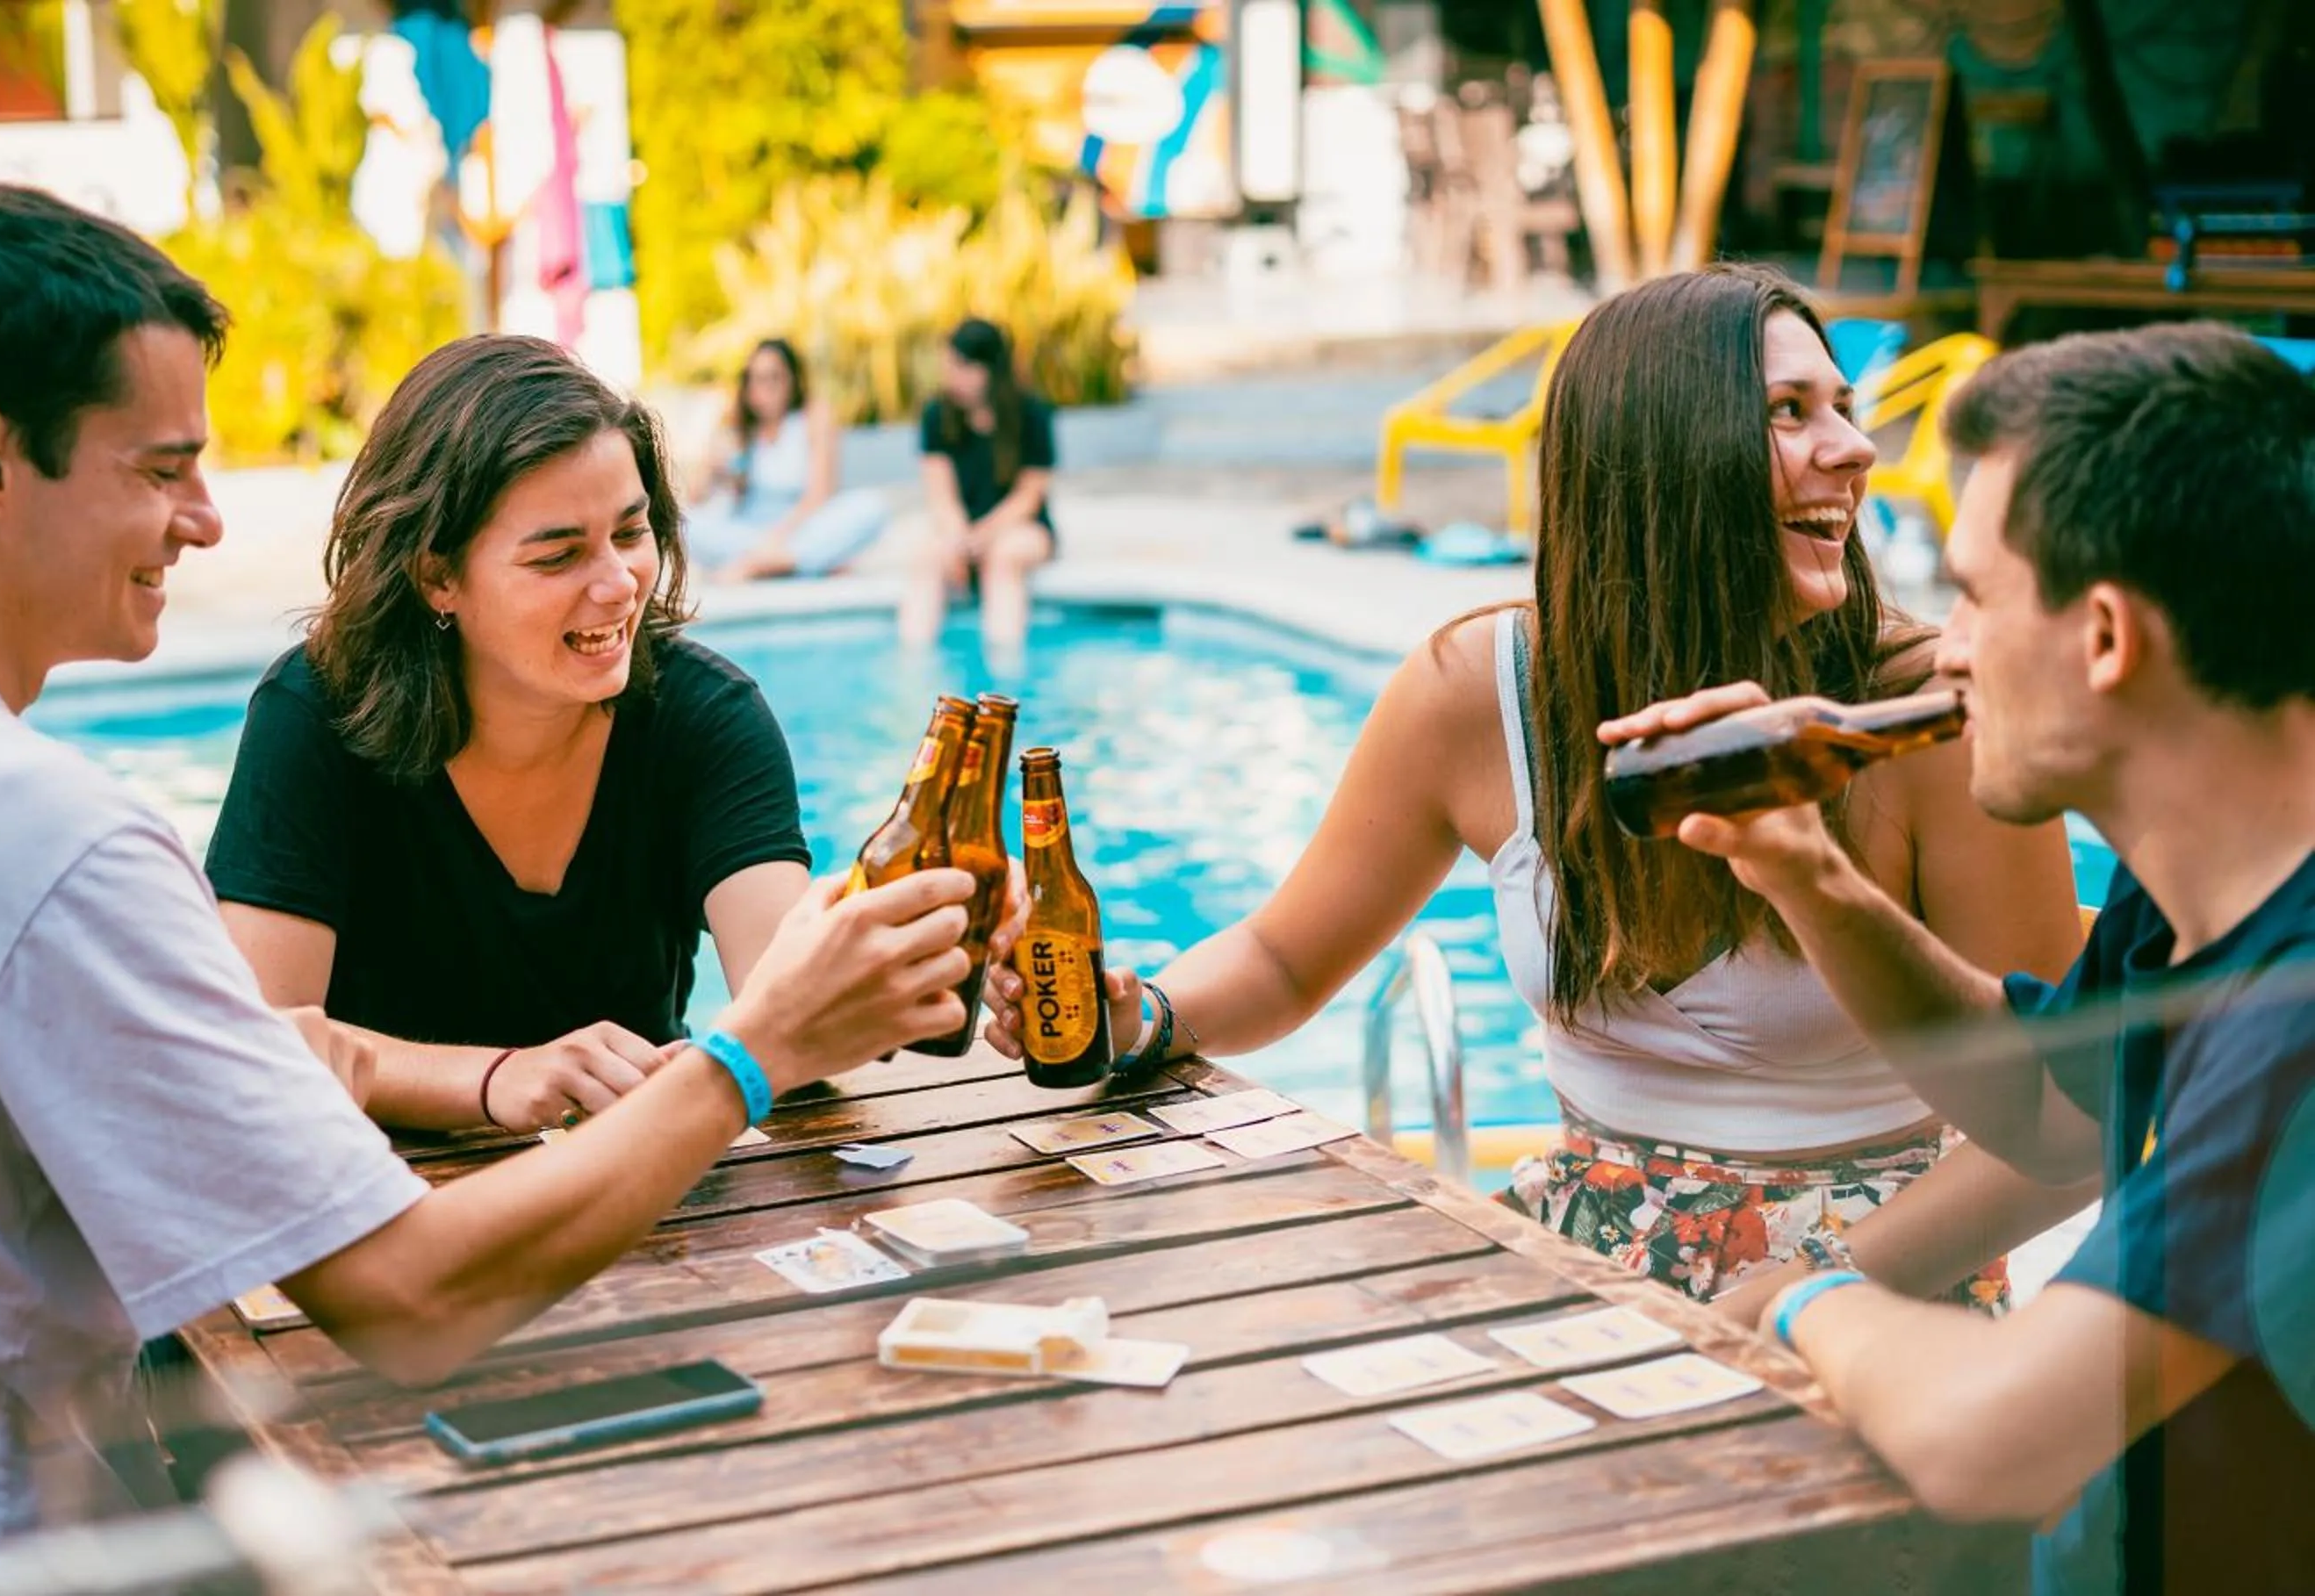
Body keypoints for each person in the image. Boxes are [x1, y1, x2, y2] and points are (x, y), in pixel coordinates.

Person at [0, 183, 974, 1573]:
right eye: (161, 467)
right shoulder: (44, 837)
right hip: (10, 1553)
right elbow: (412, 1297)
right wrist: (750, 1052)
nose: (208, 520)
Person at [984, 264, 2091, 1312]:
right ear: (1663, 461)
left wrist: (1810, 1293)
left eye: (1843, 408)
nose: (1855, 449)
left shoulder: (1926, 719)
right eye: (1790, 413)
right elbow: (1281, 959)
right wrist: (1148, 1016)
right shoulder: (1479, 692)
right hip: (1582, 1262)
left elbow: (2063, 1122)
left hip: (1879, 1285)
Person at [1604, 321, 2315, 1590]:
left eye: (1978, 595)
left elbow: (1996, 1443)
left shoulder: (2296, 1019)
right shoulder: (2187, 894)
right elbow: (2045, 1109)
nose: (1946, 651)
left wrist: (1795, 1300)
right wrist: (1803, 869)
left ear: (2104, 637)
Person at [206, 334, 814, 1136]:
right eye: (559, 555)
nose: (619, 584)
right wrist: (493, 1080)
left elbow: (795, 1015)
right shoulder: (315, 714)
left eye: (630, 534)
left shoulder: (705, 715)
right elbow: (258, 1049)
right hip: (387, 1197)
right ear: (437, 576)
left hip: (645, 1186)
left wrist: (923, 935)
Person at [898, 317, 1058, 659]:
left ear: (989, 369)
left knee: (1004, 559)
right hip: (960, 528)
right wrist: (960, 539)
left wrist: (984, 536)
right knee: (927, 559)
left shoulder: (1031, 414)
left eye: (963, 367)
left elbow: (1030, 495)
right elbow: (941, 493)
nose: (952, 377)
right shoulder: (937, 415)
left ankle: (1004, 667)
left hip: (1019, 528)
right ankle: (914, 663)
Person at [682, 336, 890, 582]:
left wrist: (776, 540)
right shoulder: (737, 426)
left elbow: (818, 496)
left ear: (792, 379)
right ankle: (801, 563)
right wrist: (710, 467)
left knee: (872, 507)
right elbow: (695, 499)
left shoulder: (813, 417)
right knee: (682, 523)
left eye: (774, 377)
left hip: (801, 527)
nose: (765, 388)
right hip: (749, 533)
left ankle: (763, 565)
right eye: (756, 379)